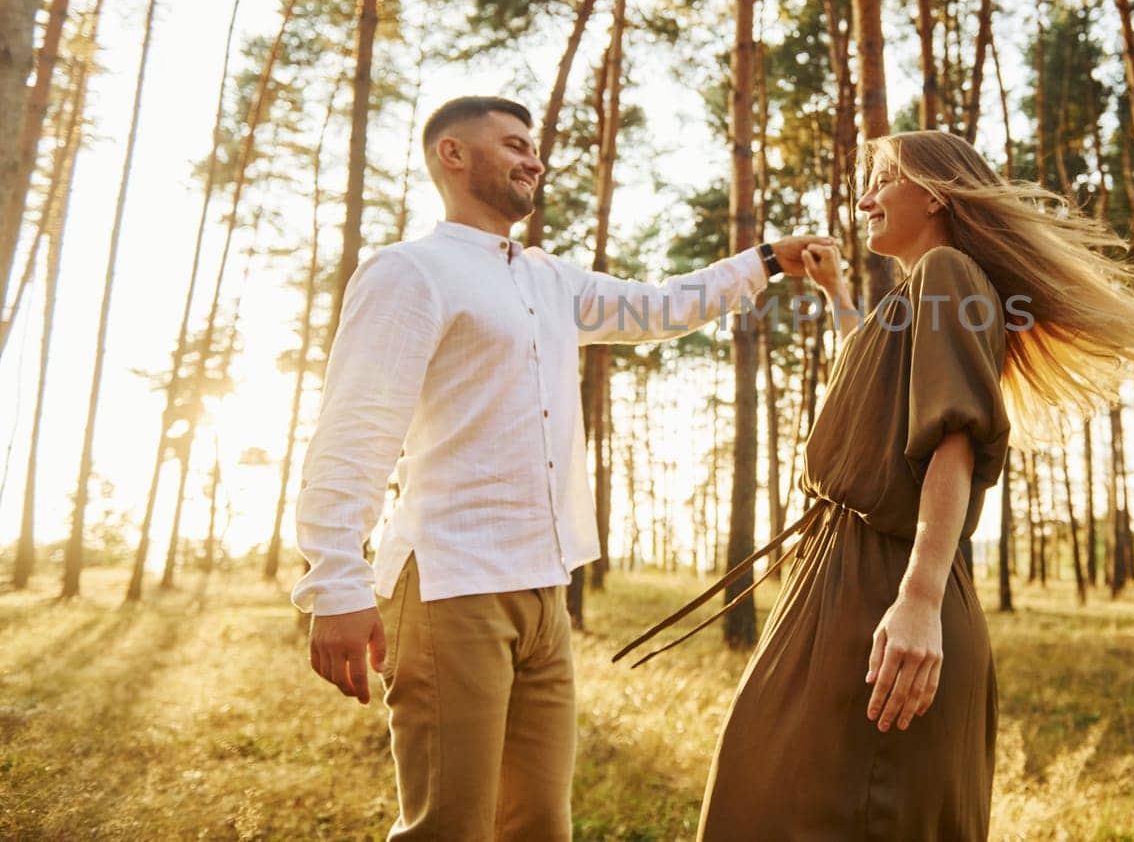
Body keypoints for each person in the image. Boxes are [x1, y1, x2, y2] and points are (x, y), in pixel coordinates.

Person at [291, 94, 832, 841]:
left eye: (534, 149)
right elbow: (354, 429)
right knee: (450, 827)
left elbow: (659, 308)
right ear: (452, 155)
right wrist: (335, 583)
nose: (534, 160)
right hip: (453, 584)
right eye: (514, 144)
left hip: (545, 591)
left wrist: (766, 259)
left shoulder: (549, 279)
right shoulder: (408, 272)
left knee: (541, 825)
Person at [625, 130, 1134, 840]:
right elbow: (879, 382)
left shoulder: (948, 270)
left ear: (936, 191)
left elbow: (954, 437)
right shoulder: (921, 292)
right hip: (839, 582)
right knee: (769, 796)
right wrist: (840, 294)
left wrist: (918, 599)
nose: (863, 198)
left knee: (820, 810)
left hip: (886, 589)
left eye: (881, 179)